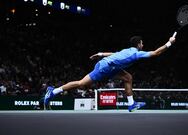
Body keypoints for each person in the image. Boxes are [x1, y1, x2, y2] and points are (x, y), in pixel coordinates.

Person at [44, 35, 176, 112]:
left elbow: (114, 54)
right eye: (142, 43)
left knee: (128, 77)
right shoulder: (135, 53)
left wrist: (100, 54)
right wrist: (169, 43)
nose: (143, 44)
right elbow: (156, 53)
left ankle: (131, 104)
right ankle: (53, 92)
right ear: (138, 45)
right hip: (105, 67)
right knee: (81, 84)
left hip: (110, 65)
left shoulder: (128, 50)